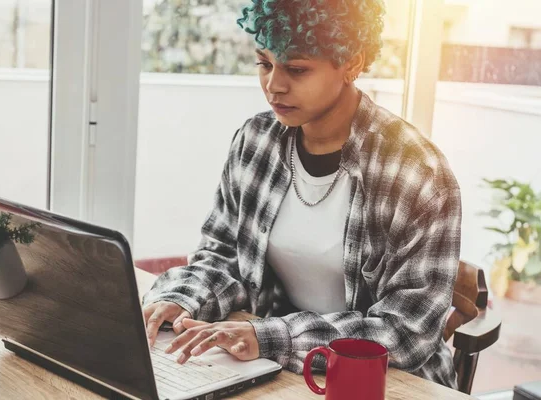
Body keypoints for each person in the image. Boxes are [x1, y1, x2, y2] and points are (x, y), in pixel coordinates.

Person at [142, 0, 462, 389]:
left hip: (386, 383)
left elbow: (407, 331)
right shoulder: (255, 141)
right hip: (275, 366)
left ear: (352, 63)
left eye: (296, 69)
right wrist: (183, 298)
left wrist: (274, 337)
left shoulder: (416, 171)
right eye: (264, 63)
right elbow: (224, 255)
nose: (273, 85)